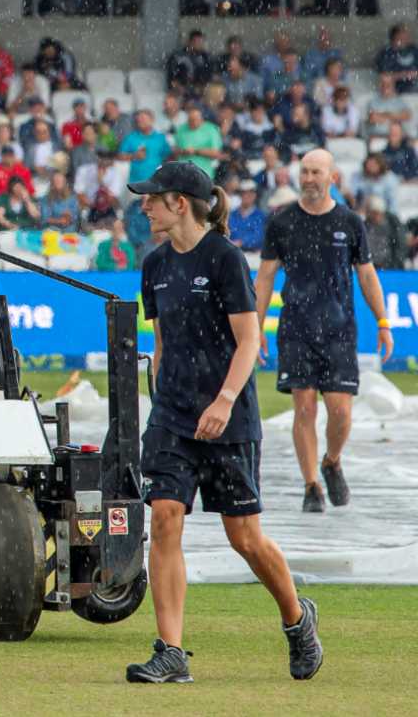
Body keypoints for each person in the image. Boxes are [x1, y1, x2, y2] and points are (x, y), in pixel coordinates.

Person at [128, 160, 322, 685]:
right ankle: (171, 651)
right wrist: (161, 405)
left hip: (227, 418)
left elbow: (249, 340)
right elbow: (163, 342)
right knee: (164, 517)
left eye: (152, 197)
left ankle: (297, 619)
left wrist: (224, 400)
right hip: (172, 415)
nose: (143, 205)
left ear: (180, 203)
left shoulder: (225, 258)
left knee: (245, 539)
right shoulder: (154, 265)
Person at [255, 149, 395, 514]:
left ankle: (332, 461)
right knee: (304, 408)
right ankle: (311, 485)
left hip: (339, 330)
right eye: (304, 172)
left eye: (316, 172)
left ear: (332, 177)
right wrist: (255, 328)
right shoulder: (282, 223)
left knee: (341, 412)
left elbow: (366, 275)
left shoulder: (350, 221)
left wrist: (383, 322)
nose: (308, 179)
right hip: (296, 329)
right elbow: (265, 276)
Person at [120, 110, 174, 185]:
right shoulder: (131, 137)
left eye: (143, 120)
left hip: (156, 182)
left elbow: (169, 155)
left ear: (151, 120)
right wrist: (135, 156)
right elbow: (120, 156)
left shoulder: (160, 137)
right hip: (136, 182)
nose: (140, 122)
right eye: (138, 120)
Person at [75, 149, 124, 230]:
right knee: (82, 212)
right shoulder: (84, 170)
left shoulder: (115, 173)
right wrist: (91, 205)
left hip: (107, 208)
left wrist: (101, 182)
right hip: (89, 206)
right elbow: (78, 192)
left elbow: (113, 198)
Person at [174, 106, 224, 176]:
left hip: (204, 174)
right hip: (184, 174)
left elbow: (216, 153)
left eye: (194, 120)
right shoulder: (181, 129)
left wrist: (196, 151)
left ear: (201, 118)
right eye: (189, 120)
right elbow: (174, 149)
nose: (191, 122)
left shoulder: (211, 130)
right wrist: (184, 151)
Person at [363, 196, 408, 270]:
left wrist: (393, 264)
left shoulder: (392, 223)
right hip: (373, 265)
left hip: (391, 266)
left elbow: (401, 245)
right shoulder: (367, 224)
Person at [166, 29, 211, 98]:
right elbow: (172, 79)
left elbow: (208, 74)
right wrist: (184, 89)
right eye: (199, 42)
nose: (201, 44)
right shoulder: (177, 56)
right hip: (182, 88)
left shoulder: (204, 57)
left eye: (202, 42)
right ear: (191, 42)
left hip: (198, 88)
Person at [366, 72, 412, 138]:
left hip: (398, 137)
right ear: (378, 85)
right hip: (380, 136)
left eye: (388, 83)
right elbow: (373, 117)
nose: (385, 86)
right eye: (383, 83)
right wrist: (397, 116)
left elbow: (407, 115)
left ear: (392, 85)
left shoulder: (400, 101)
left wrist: (384, 115)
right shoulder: (372, 101)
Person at [375, 24, 418, 94]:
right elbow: (384, 75)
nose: (407, 34)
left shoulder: (414, 49)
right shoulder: (387, 53)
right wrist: (405, 75)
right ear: (396, 35)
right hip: (400, 86)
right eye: (404, 32)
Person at [227, 180, 267, 251]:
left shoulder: (260, 215)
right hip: (235, 252)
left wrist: (241, 242)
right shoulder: (232, 215)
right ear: (240, 195)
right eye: (244, 193)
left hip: (254, 253)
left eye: (250, 193)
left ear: (255, 195)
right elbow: (231, 232)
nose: (247, 196)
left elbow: (258, 236)